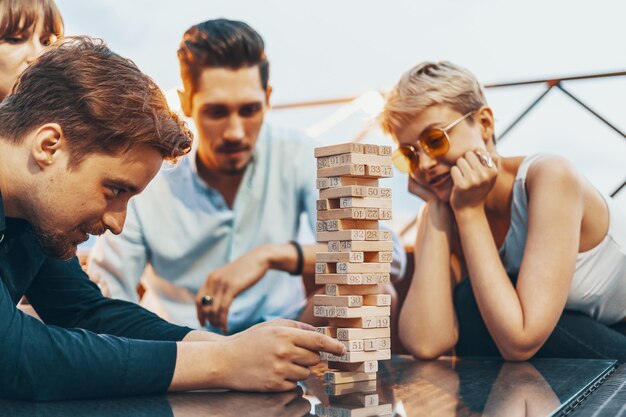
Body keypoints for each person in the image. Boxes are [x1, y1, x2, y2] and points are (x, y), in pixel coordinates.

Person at [0, 36, 346, 401]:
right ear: (48, 146)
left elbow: (85, 311)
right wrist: (222, 362)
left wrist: (233, 350)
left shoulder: (36, 217)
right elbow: (15, 358)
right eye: (114, 190)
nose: (118, 222)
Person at [88, 18, 404, 334]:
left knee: (373, 292)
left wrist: (274, 256)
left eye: (250, 110)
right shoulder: (149, 171)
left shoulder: (296, 153)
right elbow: (110, 292)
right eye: (217, 112)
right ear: (186, 103)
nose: (235, 132)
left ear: (268, 98)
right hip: (182, 348)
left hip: (285, 333)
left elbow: (390, 255)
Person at [381, 61, 626, 361]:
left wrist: (470, 212)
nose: (426, 164)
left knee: (477, 303)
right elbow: (426, 342)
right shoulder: (449, 208)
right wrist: (435, 207)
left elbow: (520, 342)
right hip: (571, 346)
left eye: (434, 140)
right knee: (471, 301)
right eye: (409, 155)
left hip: (617, 336)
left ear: (484, 123)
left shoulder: (549, 176)